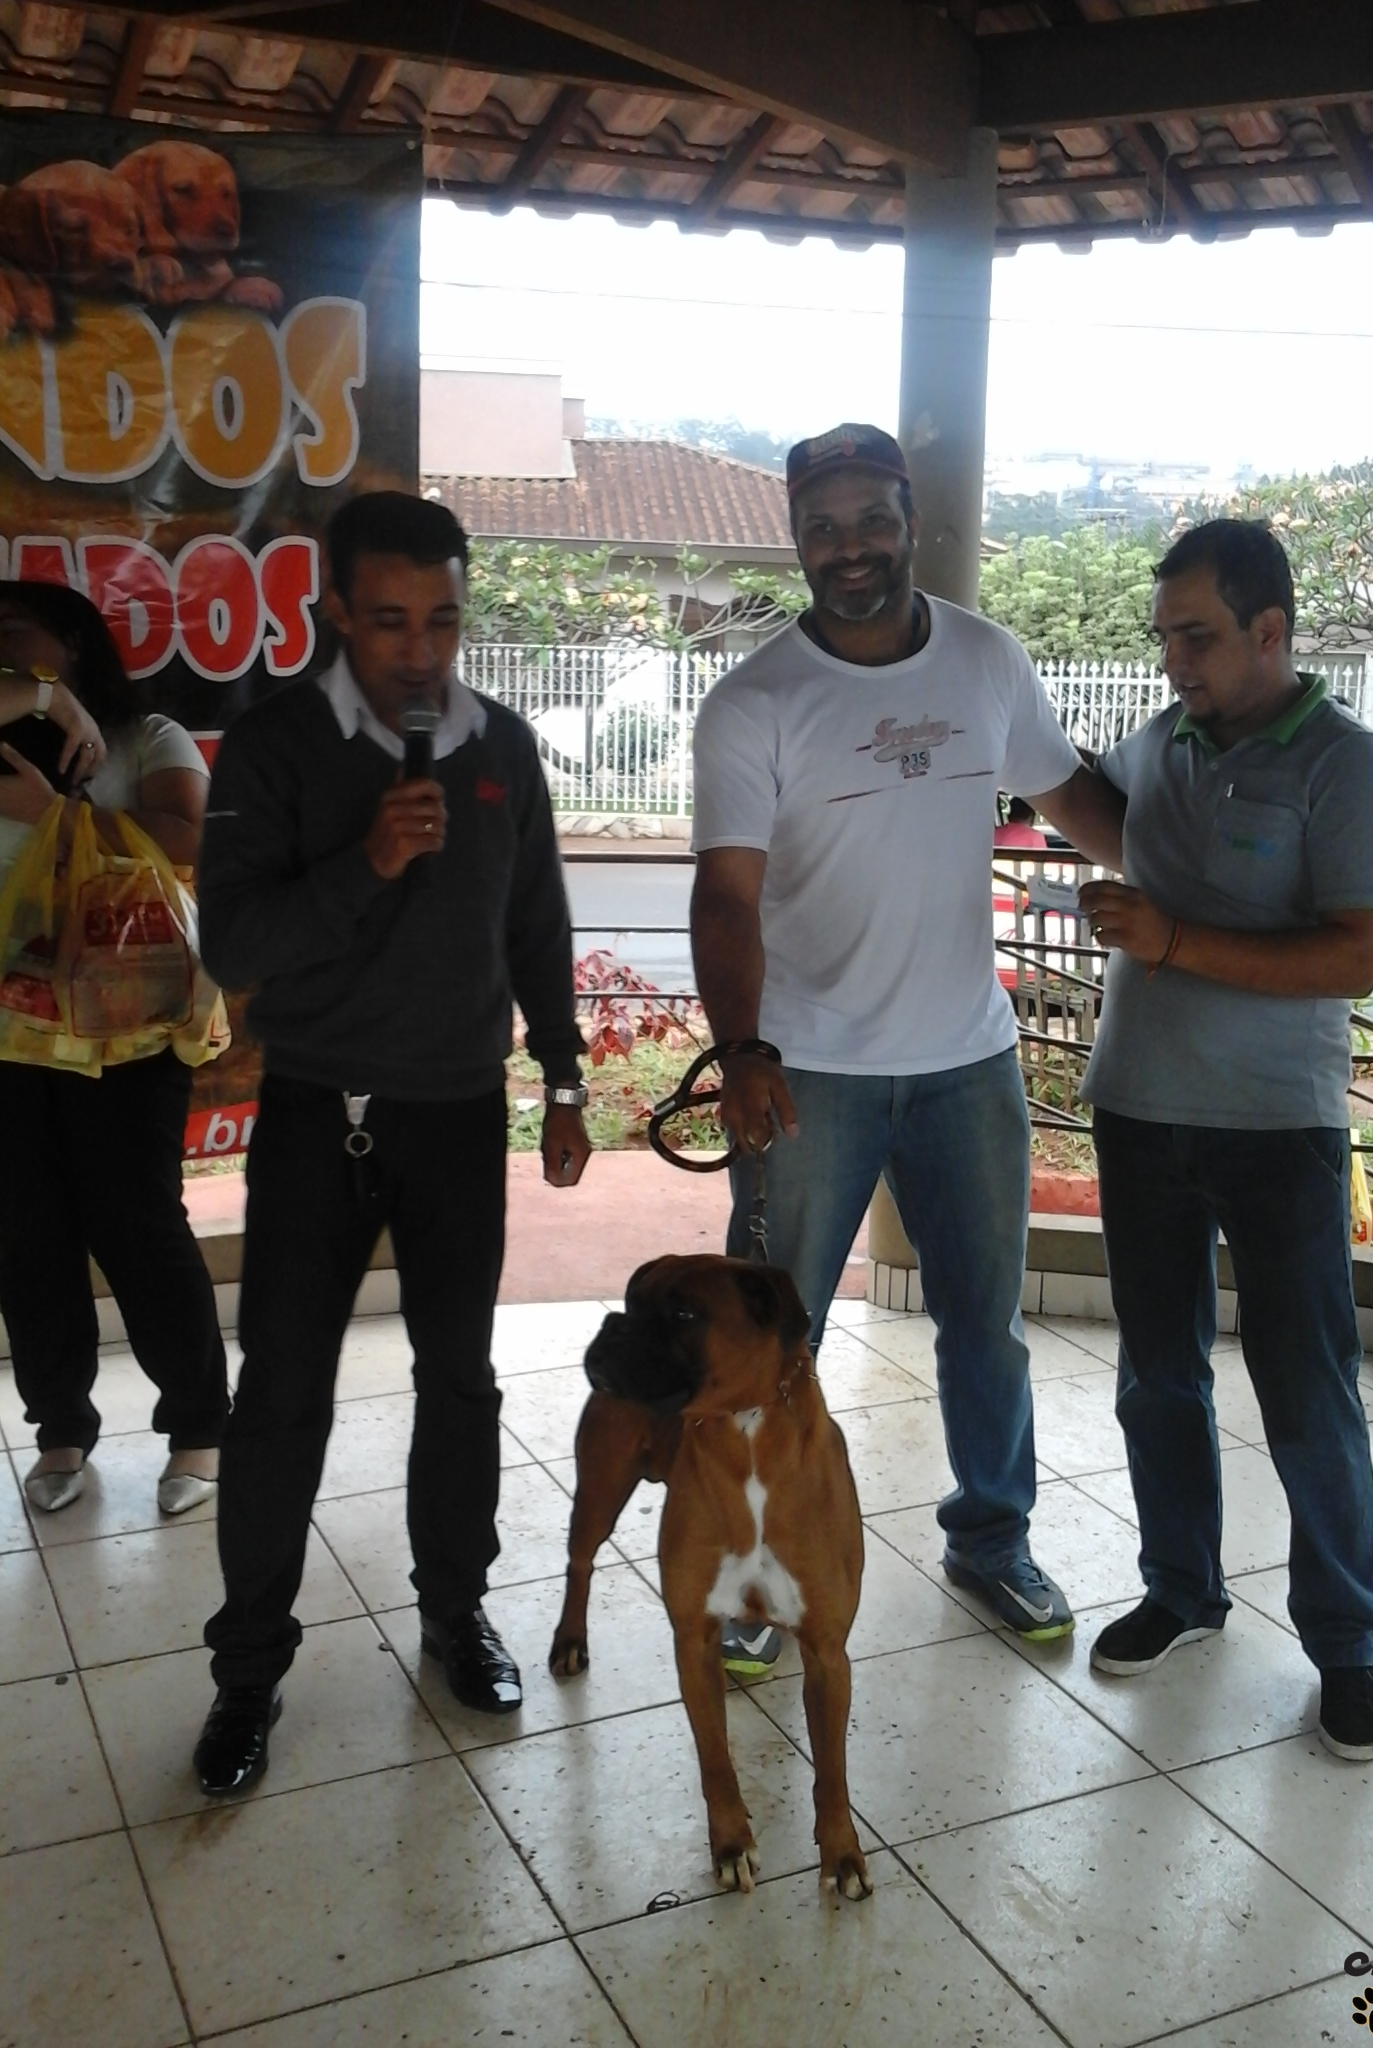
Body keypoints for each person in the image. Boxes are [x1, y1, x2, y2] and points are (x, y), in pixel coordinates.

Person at [689, 423, 1126, 1667]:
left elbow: (1078, 801)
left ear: (911, 520)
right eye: (822, 527)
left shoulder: (986, 660)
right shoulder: (755, 701)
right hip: (808, 1072)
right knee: (771, 1342)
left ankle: (992, 1535)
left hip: (966, 1066)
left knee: (985, 1326)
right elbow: (725, 894)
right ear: (796, 538)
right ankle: (754, 1574)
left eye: (871, 520)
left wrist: (1207, 881)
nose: (849, 547)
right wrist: (744, 1049)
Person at [191, 493, 591, 1796]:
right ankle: (247, 1672)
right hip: (317, 1110)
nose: (421, 652)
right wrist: (366, 860)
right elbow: (235, 946)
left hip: (458, 1109)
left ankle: (455, 1612)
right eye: (389, 621)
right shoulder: (273, 748)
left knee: (458, 1379)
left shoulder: (502, 747)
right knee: (280, 1396)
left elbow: (534, 923)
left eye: (444, 621)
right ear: (335, 615)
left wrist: (565, 1073)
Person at [1077, 519, 1373, 1763]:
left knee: (1306, 1387)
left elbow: (1355, 956)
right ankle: (1181, 1588)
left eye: (1198, 637)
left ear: (1271, 629)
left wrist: (1169, 939)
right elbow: (1090, 804)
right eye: (1165, 636)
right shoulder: (1162, 740)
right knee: (1158, 1373)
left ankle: (1346, 1644)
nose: (1175, 661)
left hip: (1278, 1128)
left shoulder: (1351, 766)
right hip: (1139, 1110)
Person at [0, 581, 227, 1519]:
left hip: (128, 1031)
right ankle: (59, 1429)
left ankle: (200, 1428)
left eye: (15, 635)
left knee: (139, 1228)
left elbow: (189, 840)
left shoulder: (147, 738)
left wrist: (58, 814)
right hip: (11, 1031)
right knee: (25, 1236)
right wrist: (46, 705)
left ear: (76, 645)